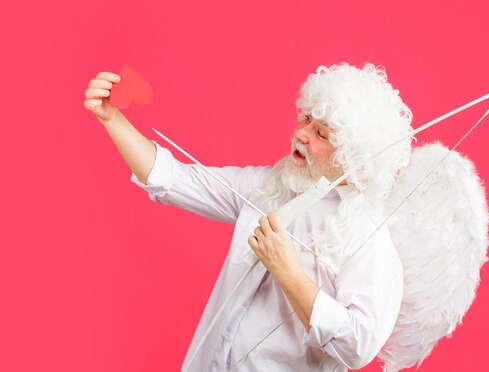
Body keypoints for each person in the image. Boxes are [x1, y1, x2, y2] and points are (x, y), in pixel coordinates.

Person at [83, 63, 417, 371]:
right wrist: (112, 118)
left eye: (321, 134)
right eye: (306, 119)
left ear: (351, 156)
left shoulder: (366, 235)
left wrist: (286, 270)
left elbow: (357, 346)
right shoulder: (270, 185)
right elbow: (173, 179)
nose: (301, 133)